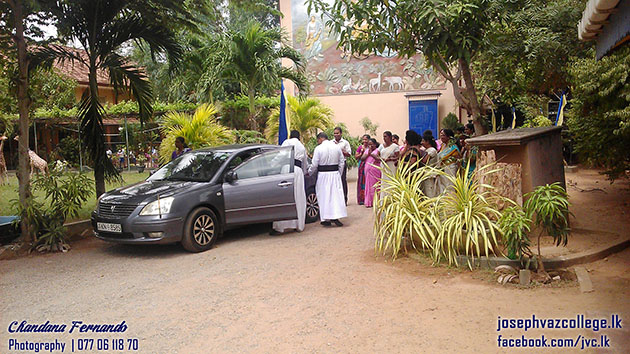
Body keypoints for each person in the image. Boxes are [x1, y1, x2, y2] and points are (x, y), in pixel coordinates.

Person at [271, 130, 308, 235]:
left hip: (287, 169)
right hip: (298, 171)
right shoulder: (301, 146)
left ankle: (280, 227)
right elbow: (304, 163)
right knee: (299, 197)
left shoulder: (287, 142)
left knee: (284, 197)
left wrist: (272, 165)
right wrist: (304, 172)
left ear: (290, 136)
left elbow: (280, 156)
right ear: (299, 137)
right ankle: (299, 225)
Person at [308, 132, 347, 226]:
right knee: (335, 196)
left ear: (320, 139)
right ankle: (335, 216)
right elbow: (341, 162)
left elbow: (314, 164)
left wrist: (309, 172)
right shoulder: (337, 147)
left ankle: (326, 218)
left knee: (324, 196)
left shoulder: (318, 148)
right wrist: (339, 174)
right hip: (335, 174)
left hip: (323, 175)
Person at [436, 129, 461, 194]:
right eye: (440, 135)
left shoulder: (453, 147)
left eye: (443, 135)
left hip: (450, 169)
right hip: (442, 169)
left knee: (450, 186)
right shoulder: (442, 146)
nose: (441, 137)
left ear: (449, 137)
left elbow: (458, 160)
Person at [332, 126, 351, 205]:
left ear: (341, 133)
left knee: (343, 181)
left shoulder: (345, 143)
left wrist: (342, 152)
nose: (336, 135)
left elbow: (349, 154)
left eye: (337, 133)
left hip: (342, 163)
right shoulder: (331, 142)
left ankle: (344, 199)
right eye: (335, 133)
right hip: (333, 164)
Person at [363, 138, 381, 208]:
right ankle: (369, 202)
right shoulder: (367, 150)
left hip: (376, 171)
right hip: (368, 171)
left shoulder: (378, 150)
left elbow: (379, 159)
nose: (370, 146)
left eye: (372, 144)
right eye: (369, 144)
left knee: (376, 186)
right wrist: (368, 153)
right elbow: (362, 158)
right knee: (368, 186)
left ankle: (376, 201)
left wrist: (372, 154)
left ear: (375, 144)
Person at [355, 134, 370, 205]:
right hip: (361, 166)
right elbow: (356, 156)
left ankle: (368, 198)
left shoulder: (371, 147)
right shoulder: (360, 147)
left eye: (366, 139)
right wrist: (361, 153)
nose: (364, 141)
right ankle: (361, 199)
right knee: (361, 181)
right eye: (363, 139)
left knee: (368, 181)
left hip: (369, 166)